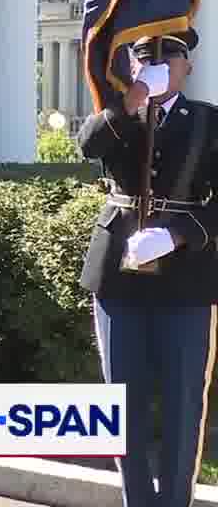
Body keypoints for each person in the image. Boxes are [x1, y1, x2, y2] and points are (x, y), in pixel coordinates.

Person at [77, 29, 218, 507]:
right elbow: (88, 146)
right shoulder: (119, 118)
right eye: (144, 57)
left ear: (187, 67)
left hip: (186, 280)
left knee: (182, 405)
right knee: (123, 404)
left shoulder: (208, 122)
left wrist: (179, 233)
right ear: (133, 66)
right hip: (119, 275)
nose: (157, 64)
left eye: (169, 56)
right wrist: (132, 101)